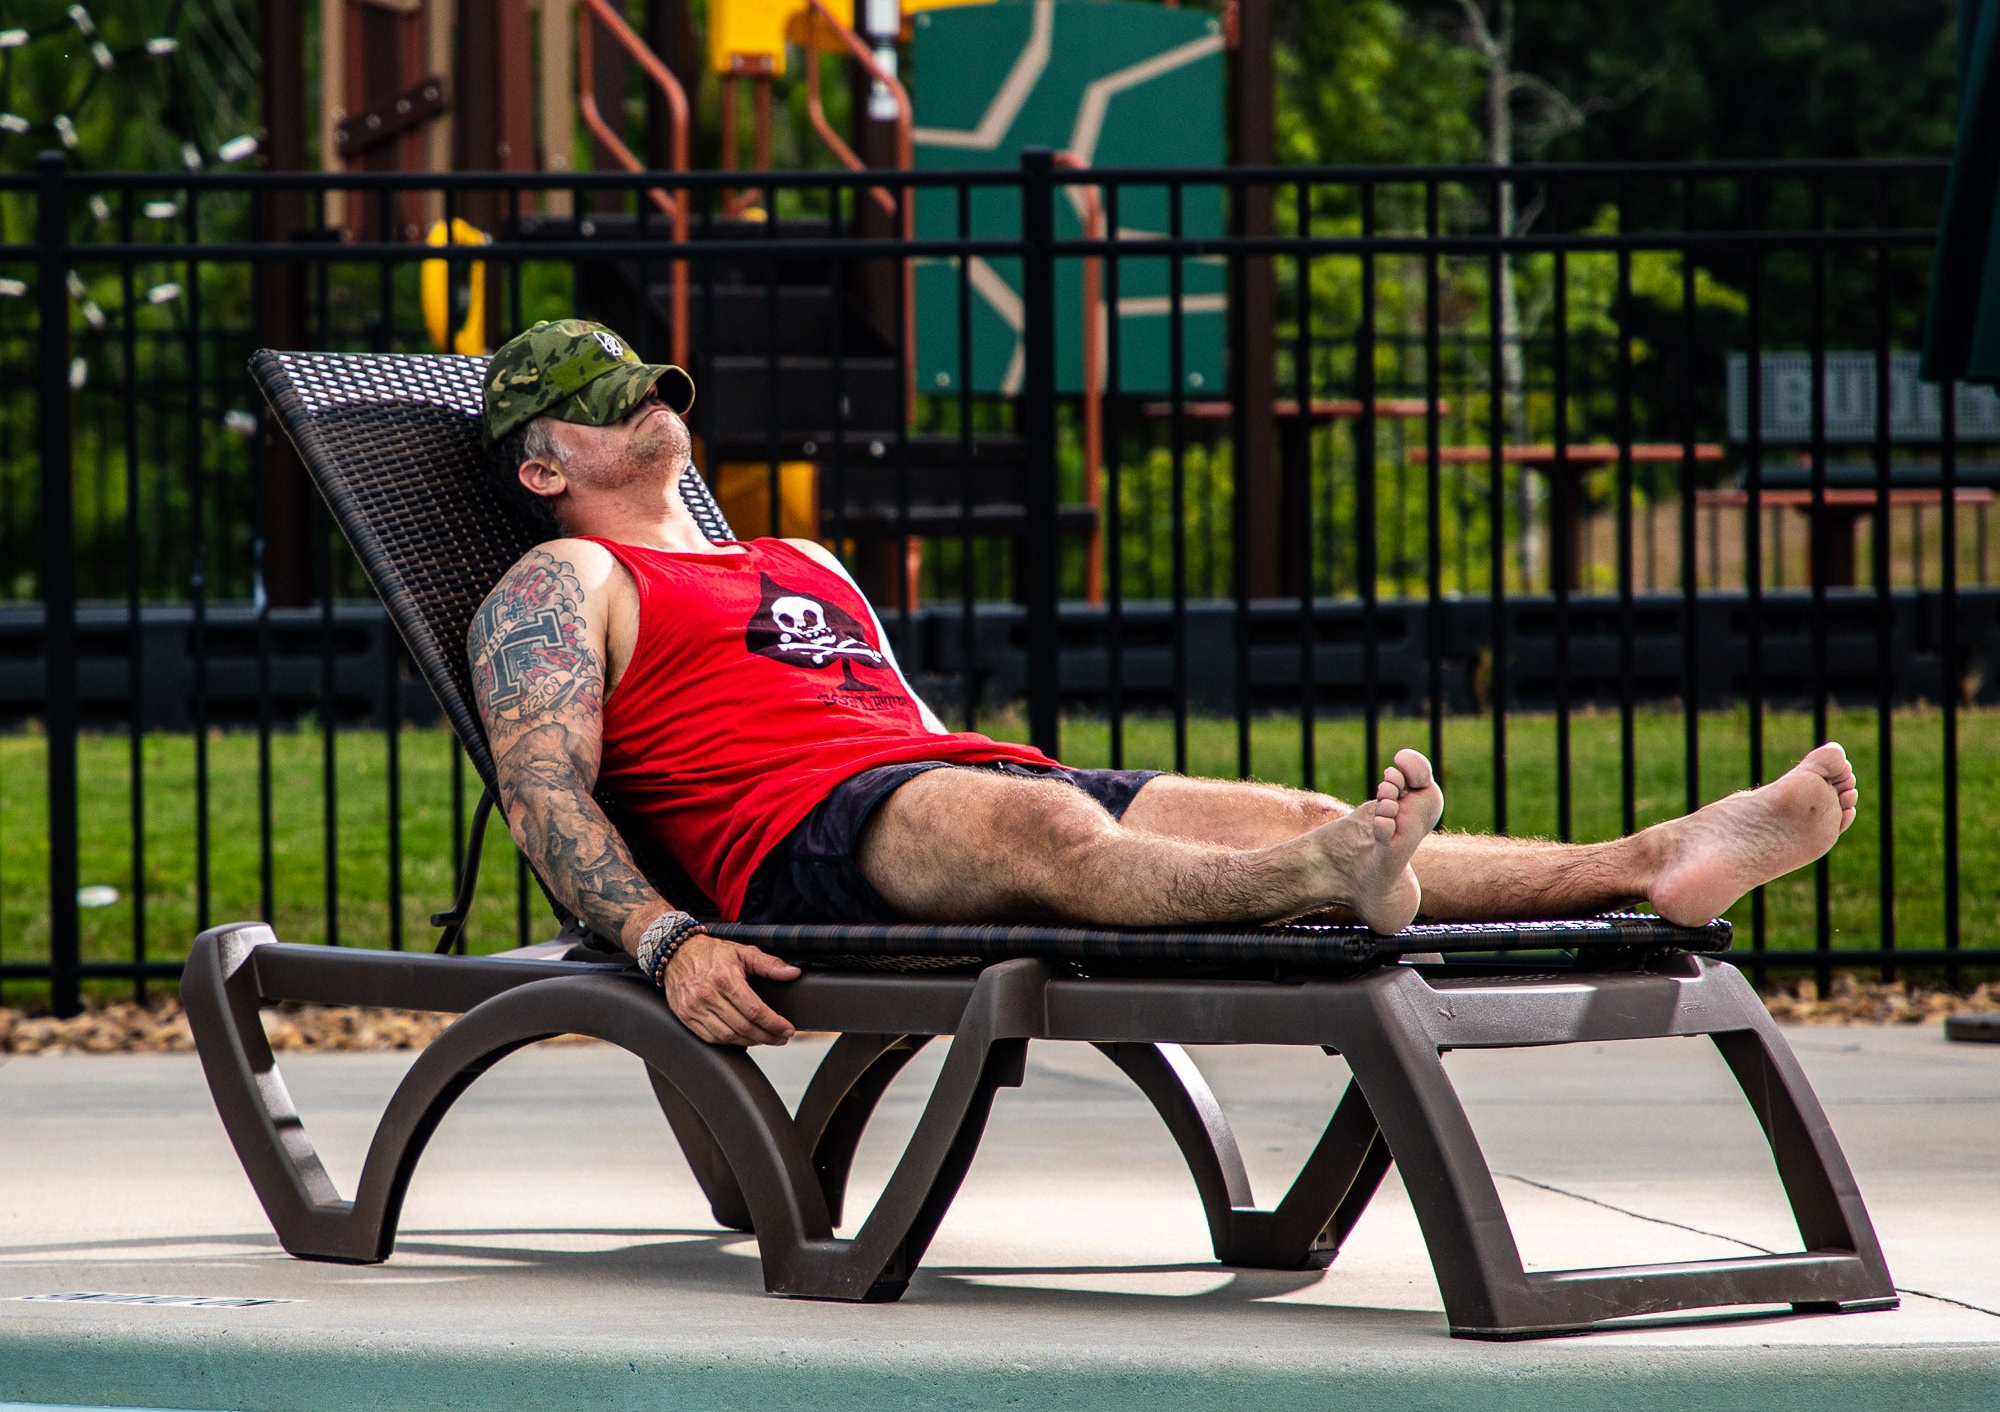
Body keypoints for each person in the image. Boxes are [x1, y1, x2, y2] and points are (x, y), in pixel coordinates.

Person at [469, 321, 1860, 1048]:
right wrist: (666, 941)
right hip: (806, 838)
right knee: (1061, 837)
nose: (651, 402)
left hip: (946, 783)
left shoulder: (801, 555)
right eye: (602, 403)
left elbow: (902, 731)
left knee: (1288, 806)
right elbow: (544, 800)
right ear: (543, 468)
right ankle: (1331, 881)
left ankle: (1655, 858)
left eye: (651, 384)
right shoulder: (561, 585)